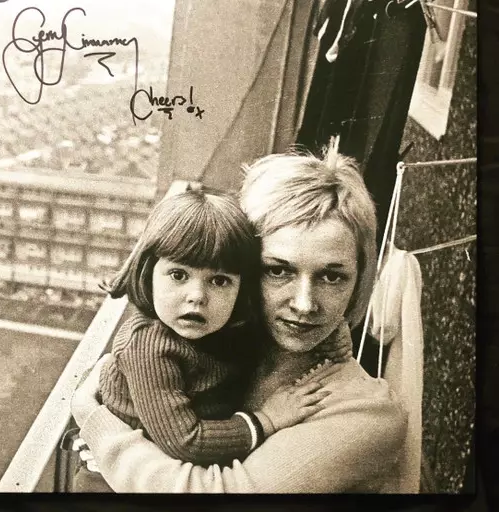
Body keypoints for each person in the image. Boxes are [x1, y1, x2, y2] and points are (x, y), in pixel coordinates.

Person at [71, 144, 409, 493]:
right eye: (277, 270)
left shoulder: (365, 414)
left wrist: (94, 420)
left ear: (359, 281)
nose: (305, 304)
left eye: (332, 277)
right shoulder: (228, 342)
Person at [77, 188, 348, 483]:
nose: (197, 296)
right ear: (147, 271)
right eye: (178, 275)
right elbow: (185, 441)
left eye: (219, 281)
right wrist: (267, 420)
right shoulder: (148, 346)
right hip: (112, 481)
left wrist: (333, 332)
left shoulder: (224, 325)